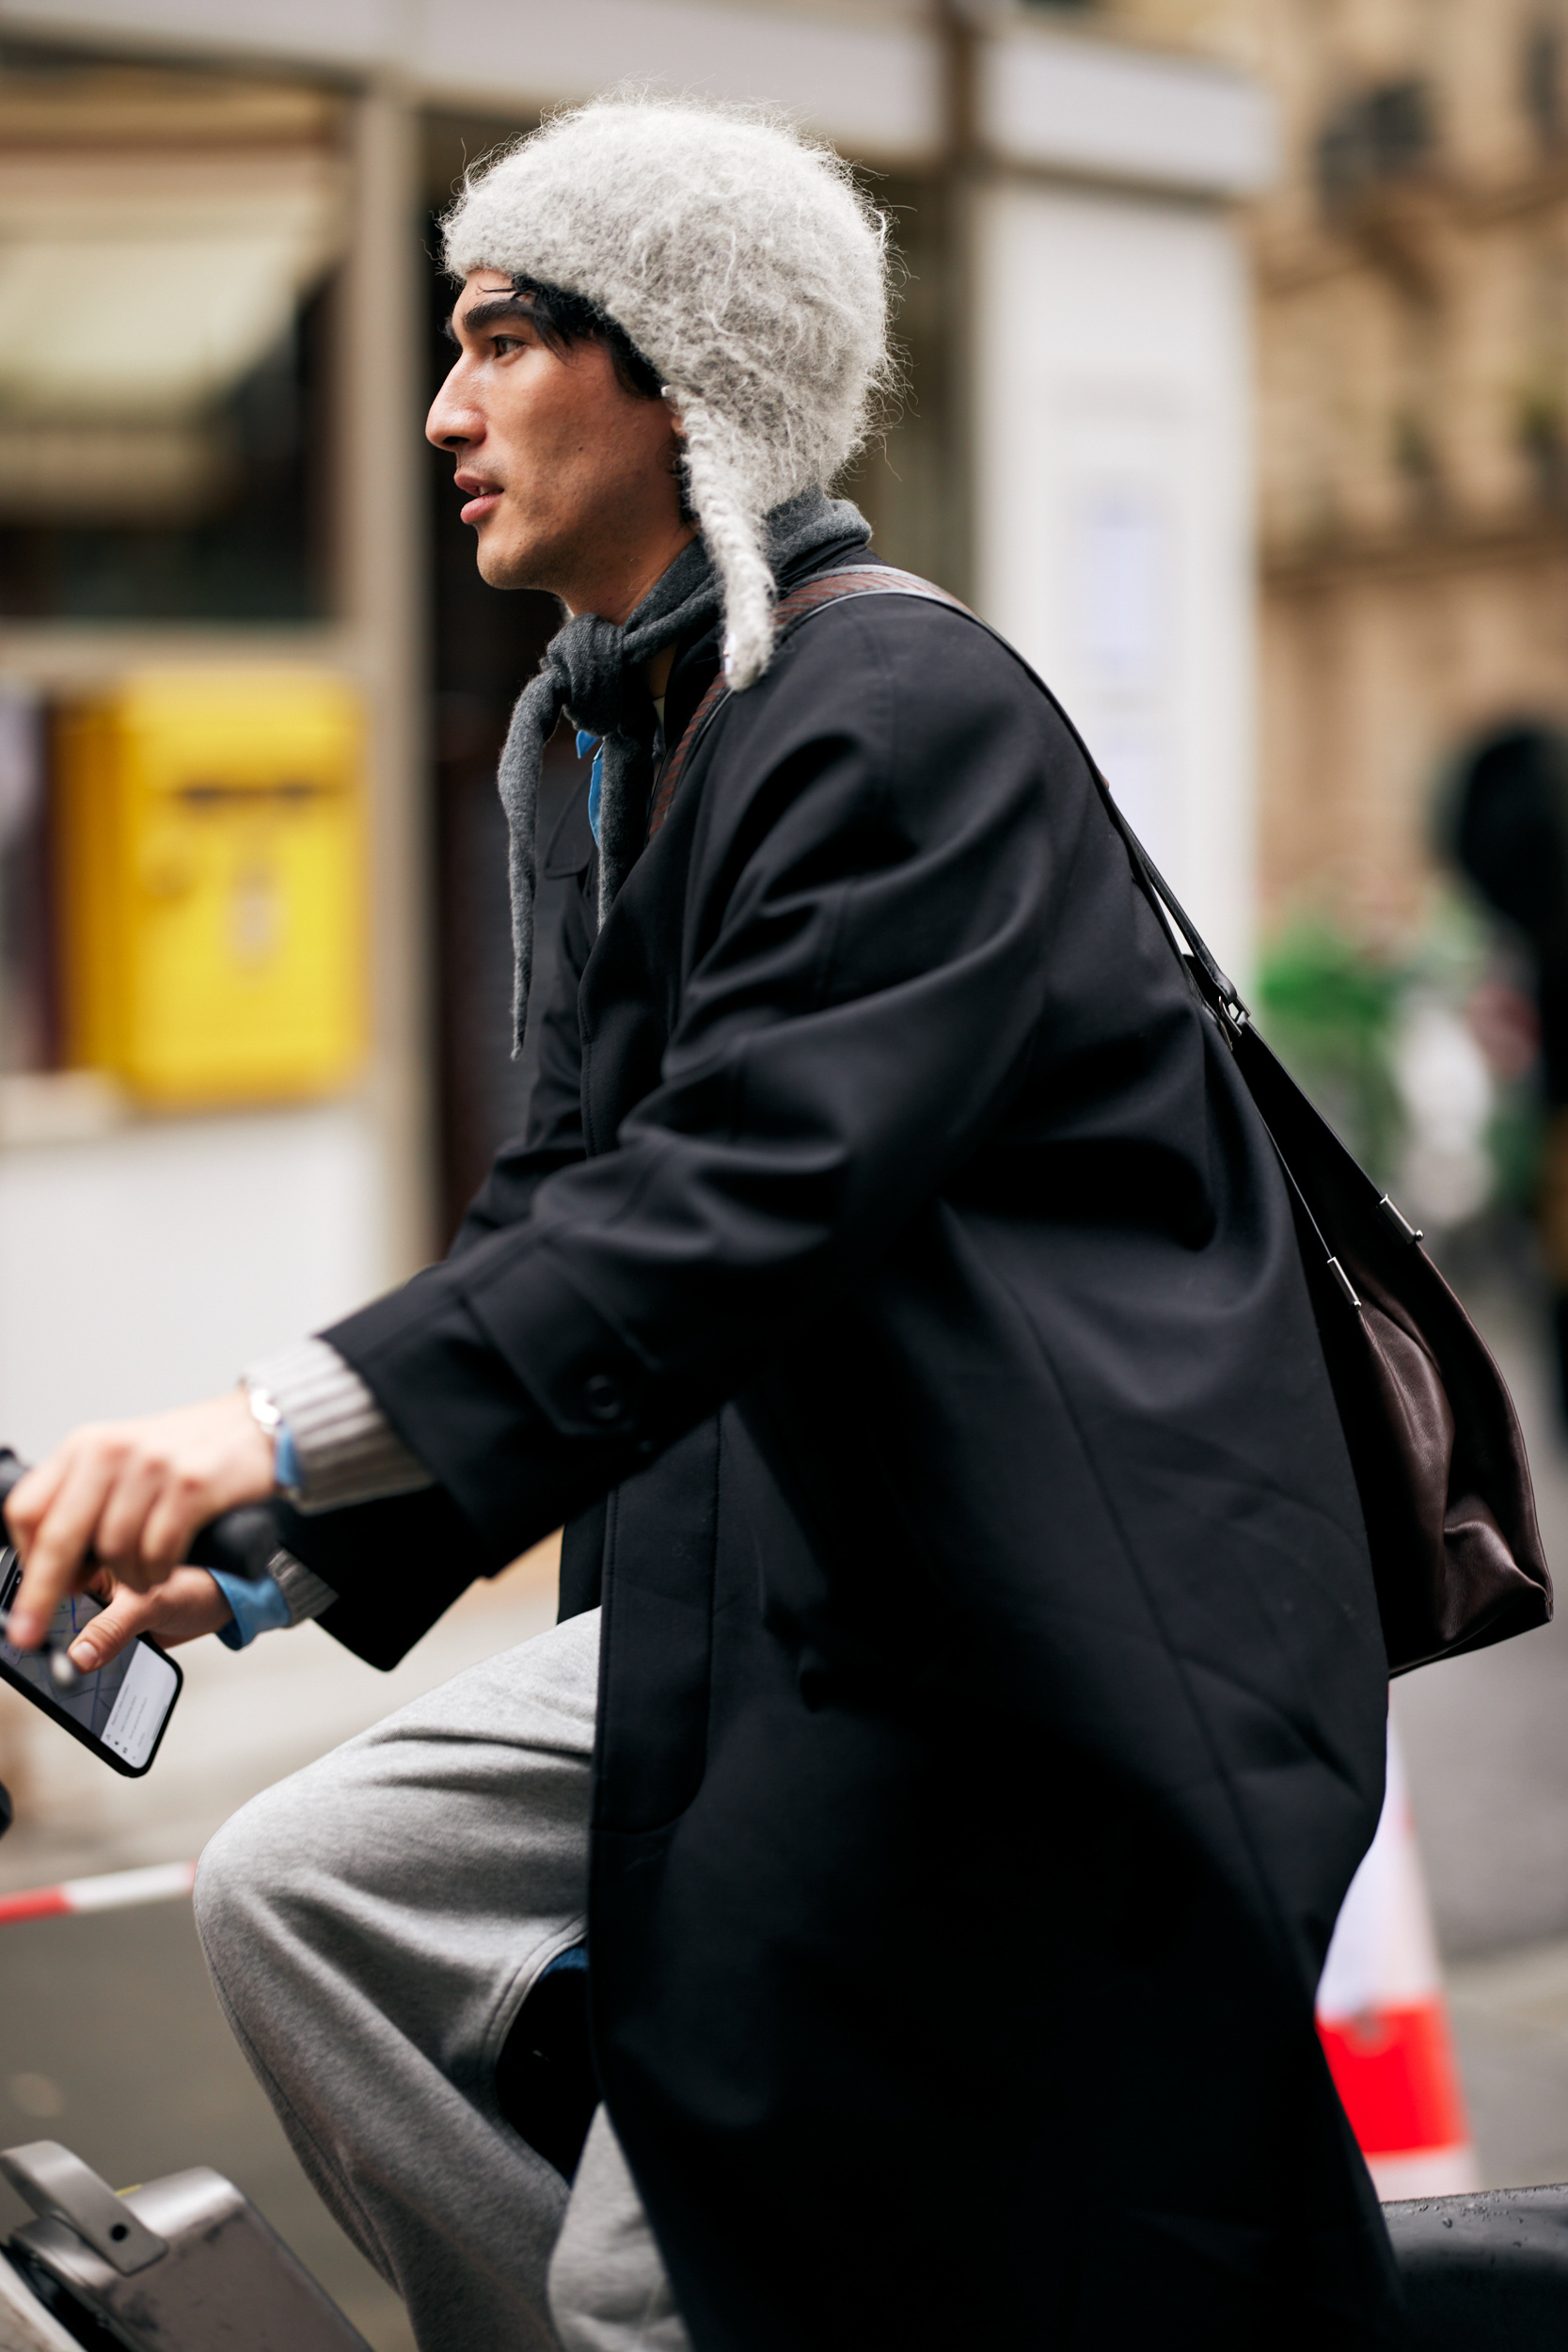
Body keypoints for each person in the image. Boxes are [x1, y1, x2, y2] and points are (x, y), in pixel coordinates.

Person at [3, 95, 1403, 2352]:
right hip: (787, 1601)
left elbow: (737, 1194)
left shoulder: (892, 709)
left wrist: (262, 1419)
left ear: (684, 369)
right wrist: (296, 1534)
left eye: (494, 340)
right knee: (302, 1880)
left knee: (691, 2244)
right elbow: (568, 1199)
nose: (441, 410)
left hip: (1030, 1634)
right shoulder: (597, 734)